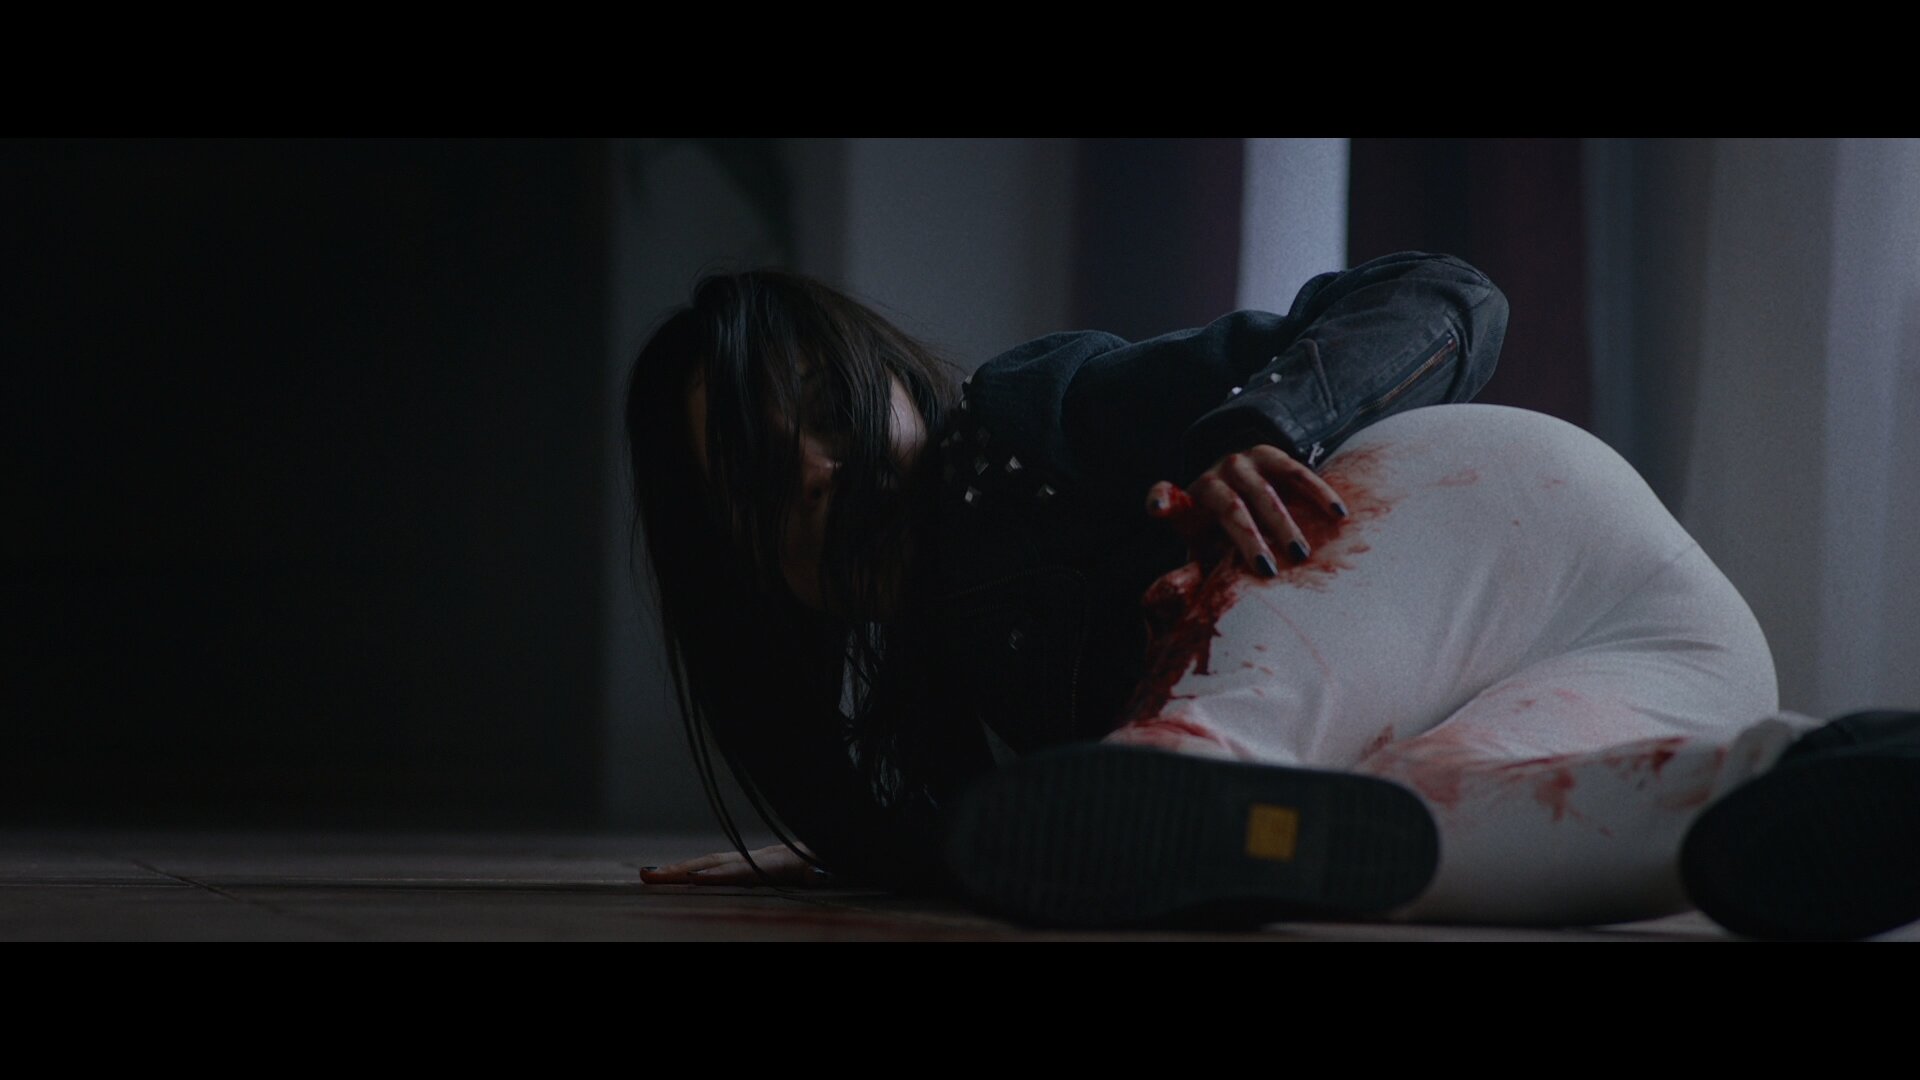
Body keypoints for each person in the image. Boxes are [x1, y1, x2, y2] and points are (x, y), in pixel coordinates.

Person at [629, 255, 1920, 939]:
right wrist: (868, 846)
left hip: (1514, 527)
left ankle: (1187, 762)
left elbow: (1450, 293)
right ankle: (1803, 786)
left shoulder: (1039, 414)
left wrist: (1258, 424)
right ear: (736, 570)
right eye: (762, 480)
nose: (818, 466)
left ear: (884, 374)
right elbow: (1011, 825)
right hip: (1679, 678)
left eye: (822, 407)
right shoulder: (939, 696)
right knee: (1418, 832)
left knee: (1208, 762)